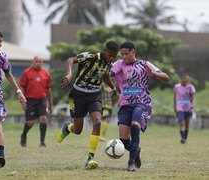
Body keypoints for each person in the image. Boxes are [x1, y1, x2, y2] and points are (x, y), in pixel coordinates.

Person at [56, 41, 119, 170]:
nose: (111, 58)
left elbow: (105, 76)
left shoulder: (109, 63)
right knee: (78, 130)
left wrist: (113, 88)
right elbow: (71, 59)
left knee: (97, 122)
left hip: (94, 95)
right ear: (104, 51)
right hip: (77, 95)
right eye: (109, 55)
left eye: (114, 56)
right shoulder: (93, 56)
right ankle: (68, 128)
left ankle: (90, 159)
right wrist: (69, 74)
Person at [110, 42, 169, 171]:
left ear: (133, 52)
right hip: (125, 104)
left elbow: (166, 77)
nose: (124, 56)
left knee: (135, 127)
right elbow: (109, 74)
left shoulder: (144, 64)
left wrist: (153, 73)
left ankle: (131, 163)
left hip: (142, 103)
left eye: (126, 53)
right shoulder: (119, 64)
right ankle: (136, 150)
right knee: (124, 141)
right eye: (122, 54)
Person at [0, 30, 27, 167]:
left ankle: (0, 156)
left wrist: (18, 91)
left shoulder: (2, 57)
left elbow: (8, 74)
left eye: (1, 42)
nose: (0, 44)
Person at [19, 56, 53, 147]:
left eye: (40, 61)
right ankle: (24, 135)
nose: (38, 63)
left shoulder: (46, 73)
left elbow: (49, 90)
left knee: (43, 119)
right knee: (31, 122)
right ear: (33, 62)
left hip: (42, 100)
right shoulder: (26, 72)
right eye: (36, 61)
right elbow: (21, 87)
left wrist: (50, 104)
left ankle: (42, 142)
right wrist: (22, 101)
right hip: (30, 100)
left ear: (42, 63)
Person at [173, 73, 196, 144]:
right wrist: (175, 106)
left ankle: (185, 138)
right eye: (183, 78)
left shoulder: (191, 87)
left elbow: (194, 97)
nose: (184, 80)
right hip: (180, 108)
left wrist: (193, 104)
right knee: (181, 123)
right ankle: (182, 138)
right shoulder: (177, 87)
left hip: (188, 108)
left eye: (185, 79)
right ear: (181, 79)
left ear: (187, 79)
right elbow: (174, 97)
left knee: (187, 124)